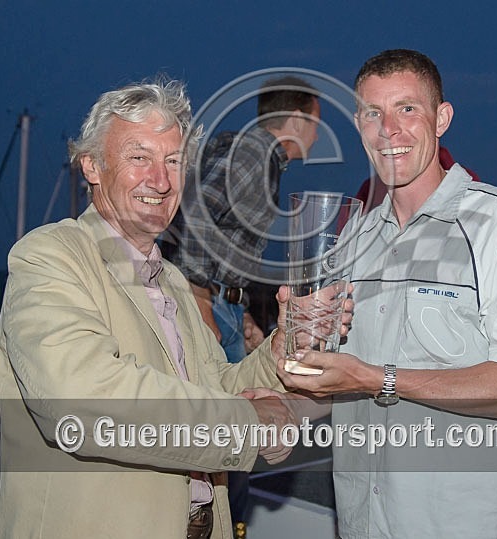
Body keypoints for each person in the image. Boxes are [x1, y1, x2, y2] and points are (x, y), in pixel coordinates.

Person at [278, 49, 497, 538]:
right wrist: (287, 395)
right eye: (373, 113)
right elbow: (342, 380)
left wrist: (377, 378)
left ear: (442, 119)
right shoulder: (353, 237)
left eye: (407, 109)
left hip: (474, 526)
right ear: (358, 125)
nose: (388, 129)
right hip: (367, 524)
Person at [0, 78, 304, 539]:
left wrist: (282, 350)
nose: (160, 180)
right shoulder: (50, 256)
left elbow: (214, 386)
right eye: (139, 158)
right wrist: (248, 425)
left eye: (173, 161)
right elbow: (82, 400)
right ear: (92, 166)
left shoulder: (172, 280)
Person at [163, 75, 321, 526]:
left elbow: (222, 237)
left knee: (229, 452)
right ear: (296, 118)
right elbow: (195, 217)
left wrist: (241, 310)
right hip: (204, 300)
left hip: (222, 302)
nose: (316, 134)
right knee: (225, 453)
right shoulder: (253, 152)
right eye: (315, 121)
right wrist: (201, 300)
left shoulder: (253, 155)